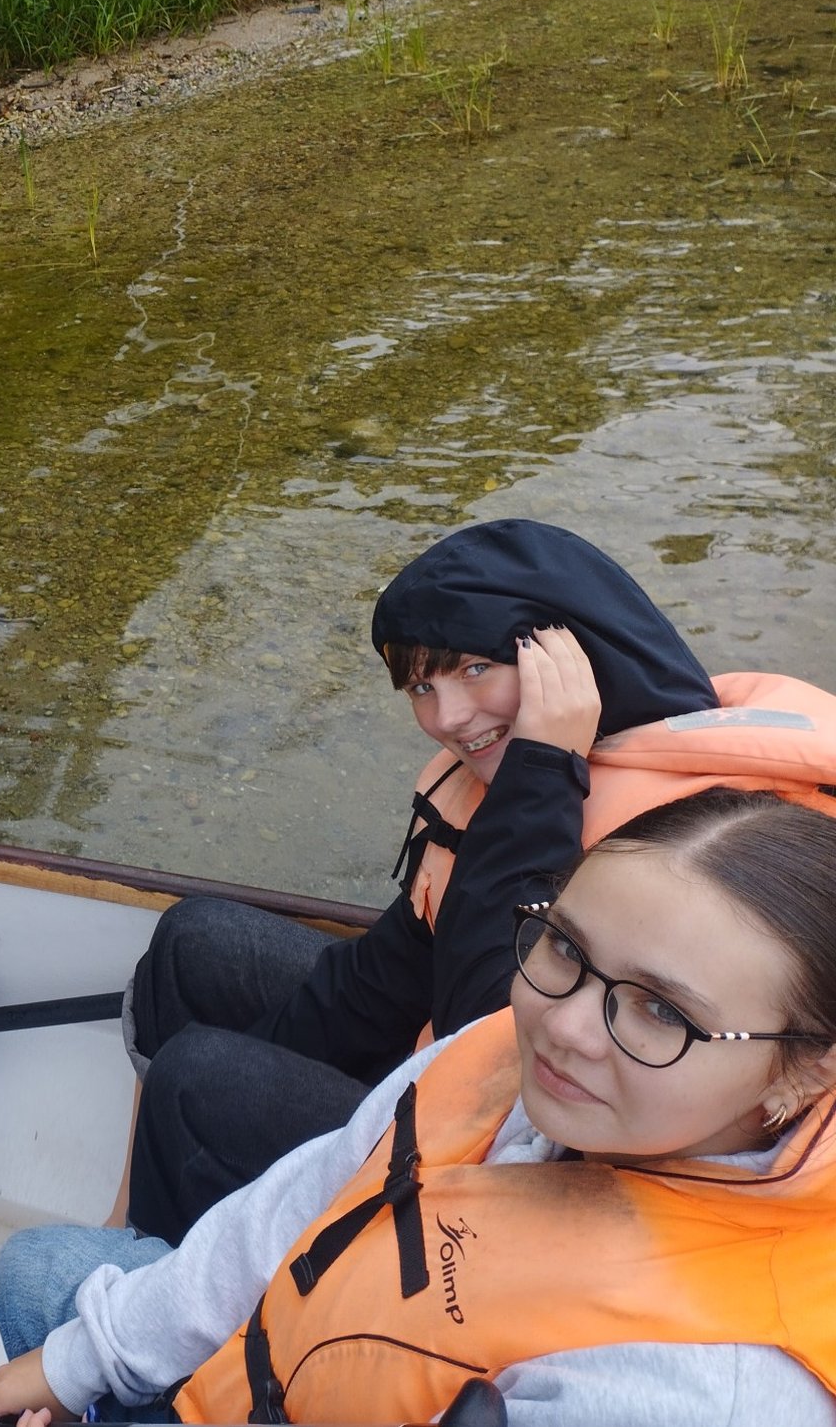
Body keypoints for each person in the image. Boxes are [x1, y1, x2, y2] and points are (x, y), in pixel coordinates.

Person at [0, 787, 836, 1427]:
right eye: (566, 947)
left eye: (663, 1011)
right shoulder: (504, 1055)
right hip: (273, 1363)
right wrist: (89, 1359)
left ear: (803, 1073)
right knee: (36, 1272)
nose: (564, 1027)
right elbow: (302, 1202)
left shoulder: (701, 1393)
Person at [113, 519, 836, 1242]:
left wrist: (542, 772)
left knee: (197, 1078)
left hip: (527, 1152)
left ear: (574, 658)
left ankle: (166, 1278)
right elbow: (381, 984)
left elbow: (492, 1051)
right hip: (440, 1073)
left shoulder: (691, 832)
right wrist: (270, 1061)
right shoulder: (514, 777)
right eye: (421, 685)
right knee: (192, 940)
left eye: (475, 669)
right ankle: (165, 1227)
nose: (447, 718)